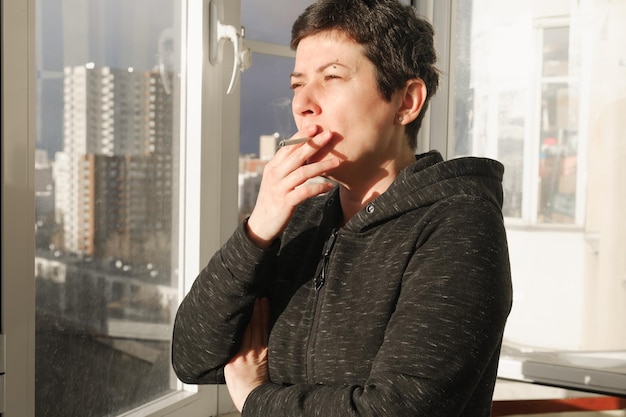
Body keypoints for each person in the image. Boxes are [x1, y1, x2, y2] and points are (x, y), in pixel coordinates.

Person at [171, 0, 513, 415]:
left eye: (332, 76)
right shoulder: (300, 218)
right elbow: (191, 358)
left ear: (406, 102)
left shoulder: (459, 224)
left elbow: (398, 410)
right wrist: (258, 226)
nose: (303, 104)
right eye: (297, 84)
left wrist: (255, 400)